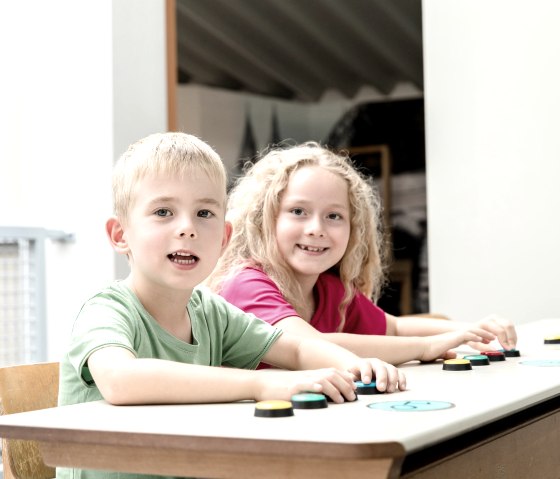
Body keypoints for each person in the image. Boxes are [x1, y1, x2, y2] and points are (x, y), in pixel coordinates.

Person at [57, 132, 405, 479]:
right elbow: (121, 380)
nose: (187, 228)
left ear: (224, 238)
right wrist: (259, 385)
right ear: (120, 235)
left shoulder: (211, 312)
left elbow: (297, 349)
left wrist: (357, 366)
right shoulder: (106, 309)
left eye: (204, 213)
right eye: (163, 211)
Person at [206, 142, 518, 366]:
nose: (316, 228)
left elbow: (394, 328)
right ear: (265, 218)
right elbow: (311, 345)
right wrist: (425, 347)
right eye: (298, 211)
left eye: (334, 216)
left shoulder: (331, 290)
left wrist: (471, 330)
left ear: (354, 229)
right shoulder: (245, 283)